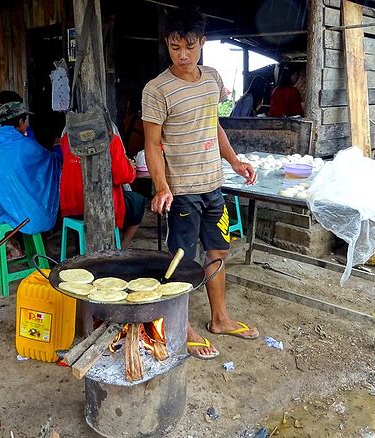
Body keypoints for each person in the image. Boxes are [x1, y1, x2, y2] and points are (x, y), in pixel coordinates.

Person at [142, 7, 259, 360]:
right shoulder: (156, 89)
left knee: (218, 252)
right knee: (182, 259)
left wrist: (235, 160)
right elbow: (151, 144)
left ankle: (220, 318)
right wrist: (162, 186)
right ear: (167, 44)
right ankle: (183, 326)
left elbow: (215, 127)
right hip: (183, 192)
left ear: (202, 43)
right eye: (175, 47)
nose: (182, 55)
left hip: (213, 186)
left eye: (190, 47)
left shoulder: (211, 79)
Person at [0, 102, 60, 257]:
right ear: (20, 122)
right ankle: (40, 256)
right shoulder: (25, 145)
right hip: (18, 213)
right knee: (39, 208)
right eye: (25, 121)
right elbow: (50, 161)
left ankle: (13, 246)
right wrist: (58, 147)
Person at [59, 126, 146, 249]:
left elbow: (91, 169)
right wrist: (130, 167)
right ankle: (123, 246)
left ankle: (82, 248)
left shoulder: (67, 139)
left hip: (71, 205)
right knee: (138, 201)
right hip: (101, 209)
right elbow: (122, 177)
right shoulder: (111, 140)